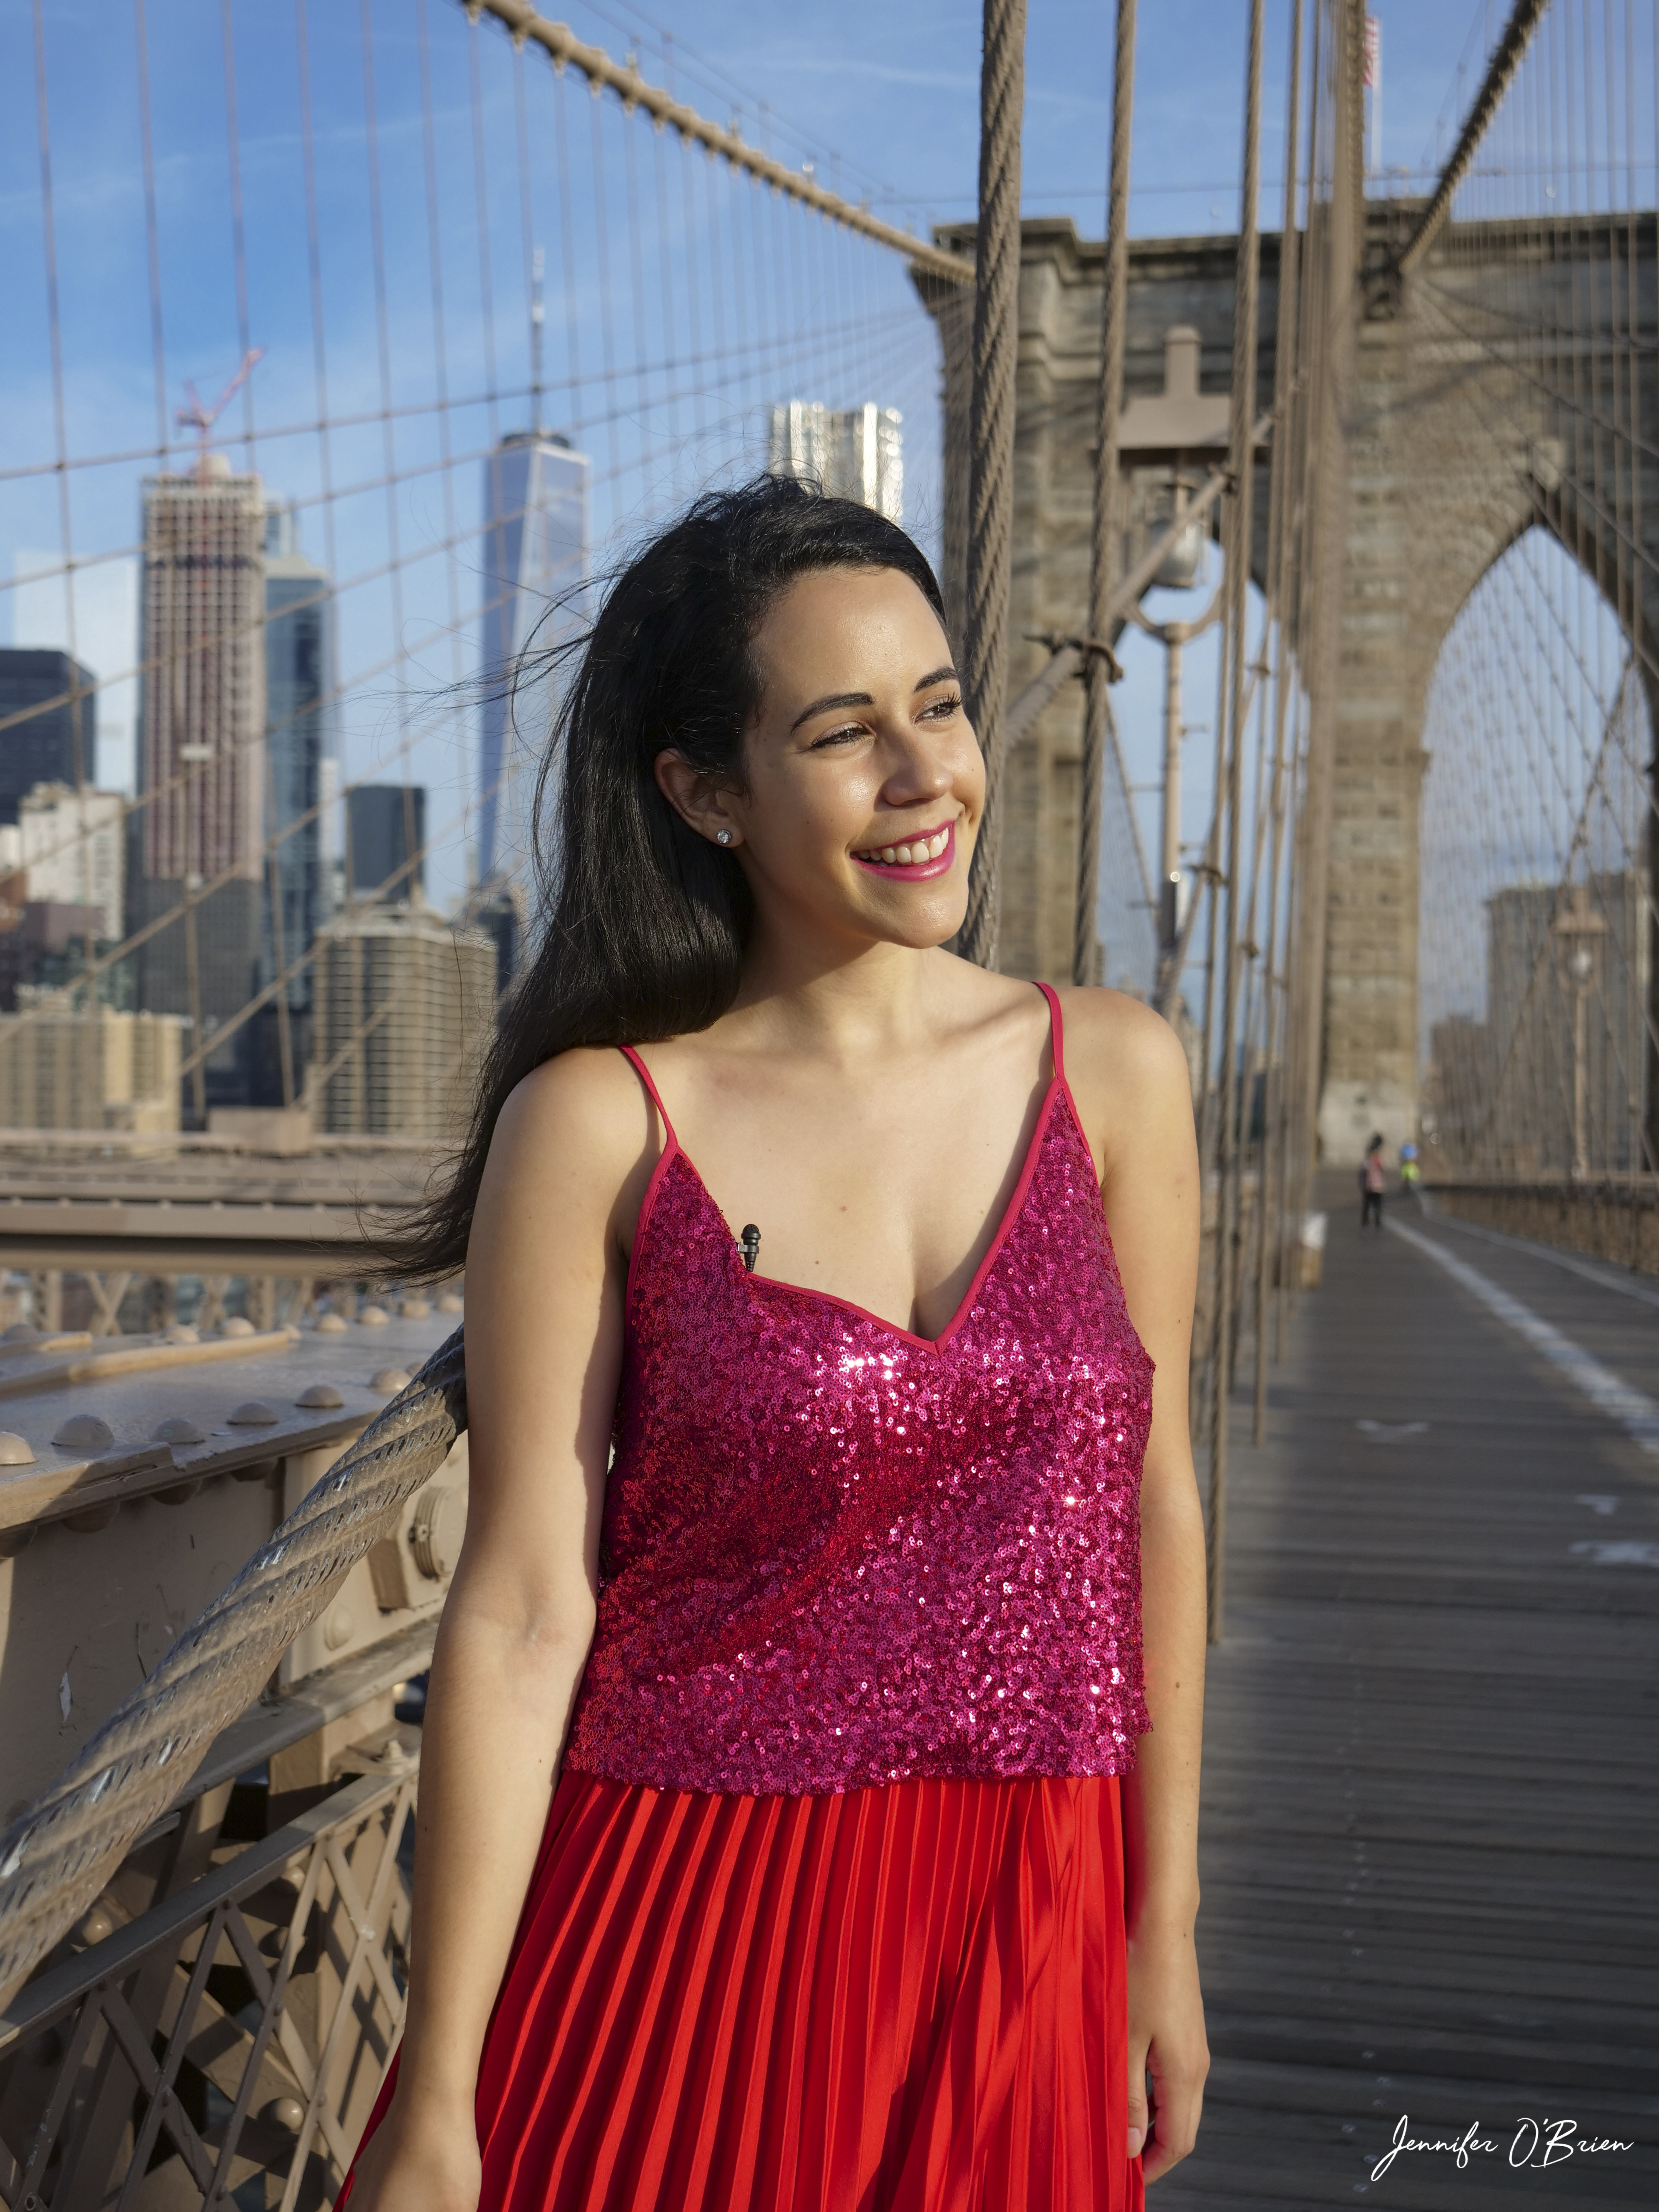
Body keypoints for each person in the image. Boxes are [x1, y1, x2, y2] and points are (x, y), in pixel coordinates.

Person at [340, 479, 1209, 2212]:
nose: (927, 778)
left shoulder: (1117, 1071)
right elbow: (519, 1606)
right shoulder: (600, 1126)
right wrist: (435, 2090)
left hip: (1027, 1908)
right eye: (842, 732)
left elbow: (1156, 1512)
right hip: (686, 1926)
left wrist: (1160, 1930)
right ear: (705, 792)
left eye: (941, 706)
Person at [1359, 1134, 1387, 1231]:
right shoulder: (1369, 1162)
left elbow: (1381, 1167)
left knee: (1377, 1206)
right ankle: (1366, 1223)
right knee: (1368, 1206)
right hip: (1370, 1187)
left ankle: (1377, 1223)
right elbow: (1364, 1171)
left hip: (1377, 1187)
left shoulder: (1376, 1161)